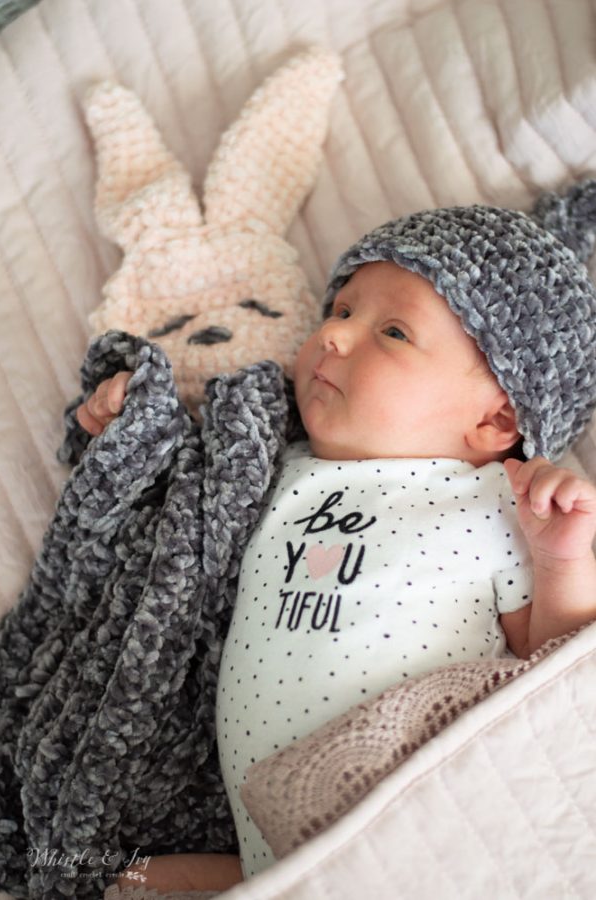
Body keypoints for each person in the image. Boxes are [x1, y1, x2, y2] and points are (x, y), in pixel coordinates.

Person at [80, 193, 596, 894]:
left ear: (496, 420)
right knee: (122, 881)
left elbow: (556, 674)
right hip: (267, 847)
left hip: (400, 814)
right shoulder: (268, 462)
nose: (334, 335)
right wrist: (132, 437)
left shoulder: (494, 504)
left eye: (393, 332)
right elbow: (178, 516)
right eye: (342, 309)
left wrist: (562, 556)